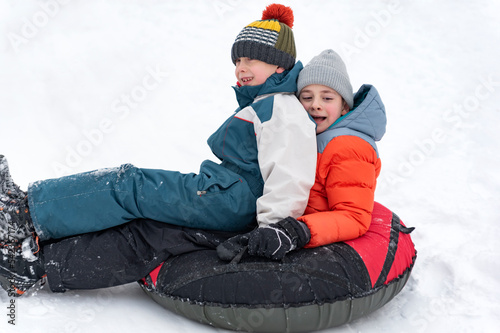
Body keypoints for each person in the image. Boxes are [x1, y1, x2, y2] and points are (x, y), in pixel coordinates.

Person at [0, 4, 317, 297]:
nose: (240, 68)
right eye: (237, 61)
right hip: (223, 192)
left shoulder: (281, 108)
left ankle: (23, 212)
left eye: (250, 59)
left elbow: (290, 173)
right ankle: (30, 261)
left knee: (129, 184)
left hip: (229, 199)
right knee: (145, 224)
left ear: (279, 65)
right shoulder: (266, 104)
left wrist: (271, 232)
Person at [217, 49, 387, 260]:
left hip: (314, 234)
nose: (315, 104)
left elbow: (353, 216)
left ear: (344, 106)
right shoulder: (307, 134)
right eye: (307, 97)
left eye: (327, 98)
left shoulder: (348, 147)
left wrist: (295, 231)